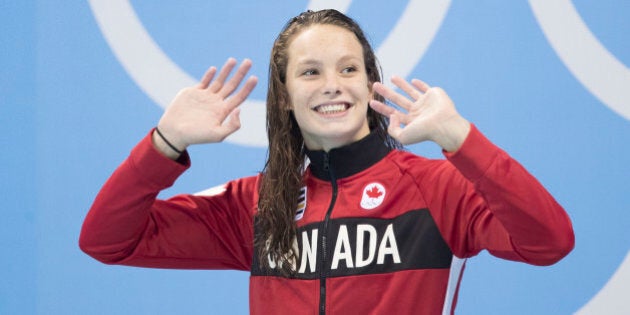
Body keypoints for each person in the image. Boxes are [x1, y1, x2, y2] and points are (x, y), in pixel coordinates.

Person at [79, 9, 574, 315]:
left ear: (369, 83)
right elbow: (106, 240)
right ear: (285, 97)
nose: (333, 84)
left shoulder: (437, 187)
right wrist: (163, 143)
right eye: (310, 72)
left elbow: (549, 242)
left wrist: (462, 140)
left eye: (349, 69)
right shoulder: (255, 204)